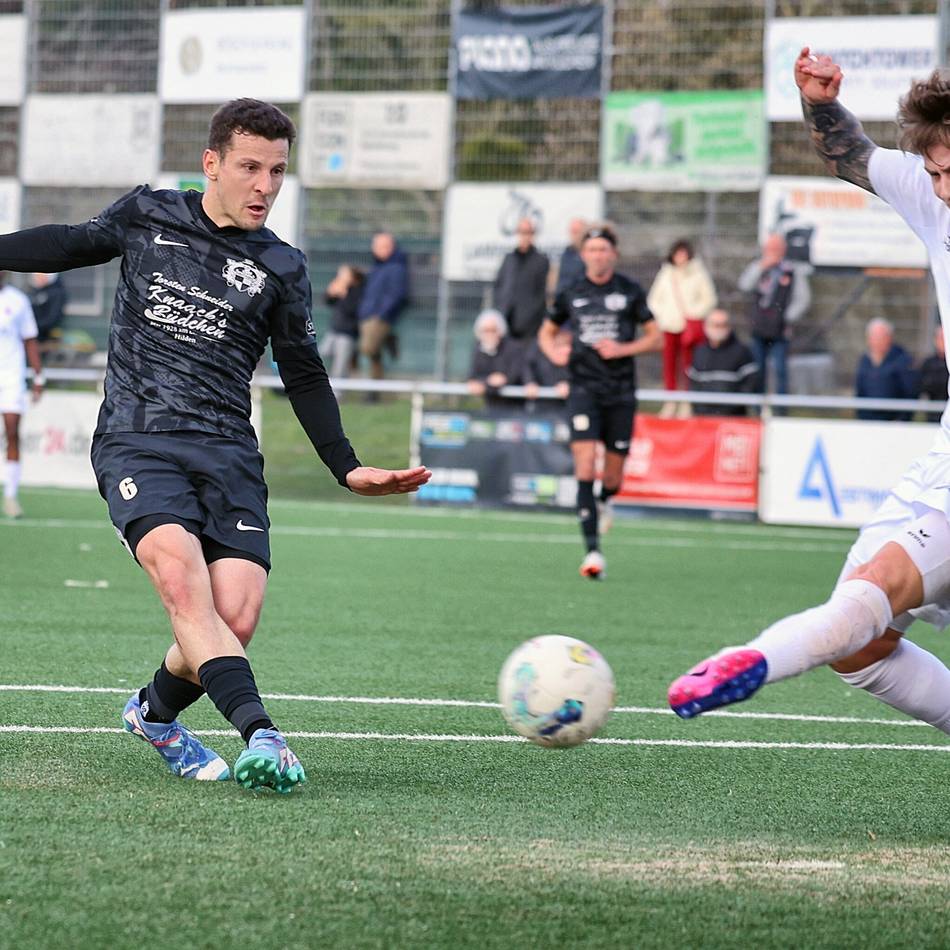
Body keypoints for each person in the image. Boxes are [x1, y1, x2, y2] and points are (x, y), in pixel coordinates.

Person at [0, 98, 430, 792]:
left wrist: (346, 467)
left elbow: (305, 374)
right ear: (213, 164)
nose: (265, 186)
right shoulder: (149, 215)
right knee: (181, 580)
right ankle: (264, 733)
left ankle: (154, 715)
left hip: (228, 452)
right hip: (138, 441)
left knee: (235, 617)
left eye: (278, 171)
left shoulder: (282, 267)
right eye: (250, 167)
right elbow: (71, 241)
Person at [667, 50, 950, 739]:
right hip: (941, 464)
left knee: (875, 591)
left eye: (948, 171)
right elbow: (850, 153)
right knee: (858, 643)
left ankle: (757, 659)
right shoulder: (932, 198)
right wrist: (820, 103)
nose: (939, 188)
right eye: (936, 171)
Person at [538, 225, 662, 579]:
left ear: (613, 255)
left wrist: (624, 348)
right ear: (584, 255)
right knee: (584, 462)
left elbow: (656, 339)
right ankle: (592, 551)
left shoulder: (629, 291)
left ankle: (605, 499)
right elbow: (546, 333)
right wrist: (555, 353)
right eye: (591, 250)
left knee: (613, 473)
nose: (597, 255)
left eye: (603, 250)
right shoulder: (570, 292)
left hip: (620, 390)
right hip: (583, 388)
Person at [647, 239, 717, 418]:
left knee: (688, 366)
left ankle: (687, 401)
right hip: (669, 326)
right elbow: (654, 299)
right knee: (669, 365)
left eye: (684, 254)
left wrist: (693, 314)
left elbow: (709, 299)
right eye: (677, 254)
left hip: (689, 327)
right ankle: (670, 401)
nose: (680, 258)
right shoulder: (666, 274)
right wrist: (662, 316)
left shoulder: (698, 273)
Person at [738, 232, 811, 397]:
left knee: (780, 370)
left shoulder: (792, 270)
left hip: (781, 330)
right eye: (770, 248)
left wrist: (786, 317)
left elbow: (803, 299)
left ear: (783, 249)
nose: (773, 251)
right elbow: (744, 285)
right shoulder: (758, 267)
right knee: (758, 369)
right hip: (758, 328)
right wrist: (761, 267)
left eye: (777, 248)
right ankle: (758, 407)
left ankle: (780, 410)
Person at [0, 272, 44, 518]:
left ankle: (10, 496)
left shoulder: (18, 300)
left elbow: (30, 340)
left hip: (11, 378)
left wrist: (38, 377)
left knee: (12, 431)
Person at [357, 231, 409, 387]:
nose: (381, 250)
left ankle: (388, 338)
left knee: (367, 348)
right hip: (367, 314)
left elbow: (396, 294)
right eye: (378, 246)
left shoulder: (397, 268)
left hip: (380, 317)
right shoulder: (377, 267)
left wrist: (381, 314)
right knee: (373, 355)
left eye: (385, 246)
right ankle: (375, 390)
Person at [686, 308, 760, 416]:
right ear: (706, 326)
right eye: (715, 325)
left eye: (723, 325)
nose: (719, 329)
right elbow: (693, 385)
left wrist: (731, 407)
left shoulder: (742, 351)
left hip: (732, 418)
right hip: (703, 418)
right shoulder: (699, 352)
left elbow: (750, 384)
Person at [493, 217, 549, 341]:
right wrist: (500, 309)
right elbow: (499, 286)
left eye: (528, 232)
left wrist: (530, 316)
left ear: (533, 234)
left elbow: (542, 294)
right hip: (507, 321)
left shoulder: (541, 261)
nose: (525, 236)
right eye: (521, 232)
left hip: (530, 326)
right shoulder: (509, 259)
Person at [854, 317, 917, 421]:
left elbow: (910, 392)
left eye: (880, 337)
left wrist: (902, 419)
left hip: (893, 422)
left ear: (889, 338)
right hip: (868, 421)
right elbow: (860, 390)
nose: (876, 342)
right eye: (873, 337)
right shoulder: (864, 360)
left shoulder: (902, 359)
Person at [466, 308, 525, 408]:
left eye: (493, 330)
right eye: (486, 331)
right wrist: (488, 381)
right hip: (491, 406)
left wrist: (501, 380)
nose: (490, 334)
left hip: (515, 407)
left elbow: (517, 374)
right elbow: (473, 376)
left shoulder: (513, 348)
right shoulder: (478, 349)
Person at [321, 264, 364, 379]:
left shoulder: (358, 290)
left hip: (348, 333)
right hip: (334, 330)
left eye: (344, 274)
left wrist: (343, 294)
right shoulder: (340, 287)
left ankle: (337, 393)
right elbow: (327, 301)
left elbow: (351, 310)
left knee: (340, 366)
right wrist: (331, 292)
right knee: (322, 354)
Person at [523, 327, 570, 404]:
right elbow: (527, 366)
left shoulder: (577, 362)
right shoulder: (541, 356)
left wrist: (570, 385)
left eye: (567, 345)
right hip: (544, 405)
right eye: (561, 346)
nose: (566, 350)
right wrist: (530, 382)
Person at [918, 324, 948, 422]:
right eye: (940, 338)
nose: (943, 341)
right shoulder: (928, 363)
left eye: (945, 337)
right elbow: (922, 387)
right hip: (933, 414)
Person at [26, 272, 67, 343]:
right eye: (37, 276)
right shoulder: (33, 292)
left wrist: (34, 327)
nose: (38, 278)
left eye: (42, 276)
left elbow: (53, 317)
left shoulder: (56, 293)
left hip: (46, 336)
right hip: (33, 333)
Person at [554, 217, 588, 296]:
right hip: (565, 301)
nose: (573, 235)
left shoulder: (591, 254)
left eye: (576, 231)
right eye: (572, 231)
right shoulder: (566, 253)